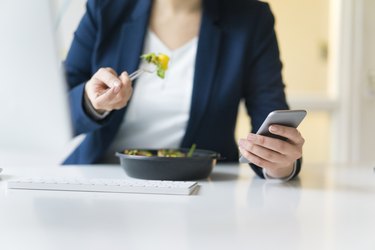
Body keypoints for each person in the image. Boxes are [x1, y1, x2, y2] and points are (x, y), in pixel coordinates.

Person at [64, 0, 305, 180]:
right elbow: (55, 108)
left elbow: (271, 122)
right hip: (103, 180)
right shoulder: (105, 8)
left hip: (204, 187)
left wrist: (278, 164)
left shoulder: (251, 19)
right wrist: (91, 103)